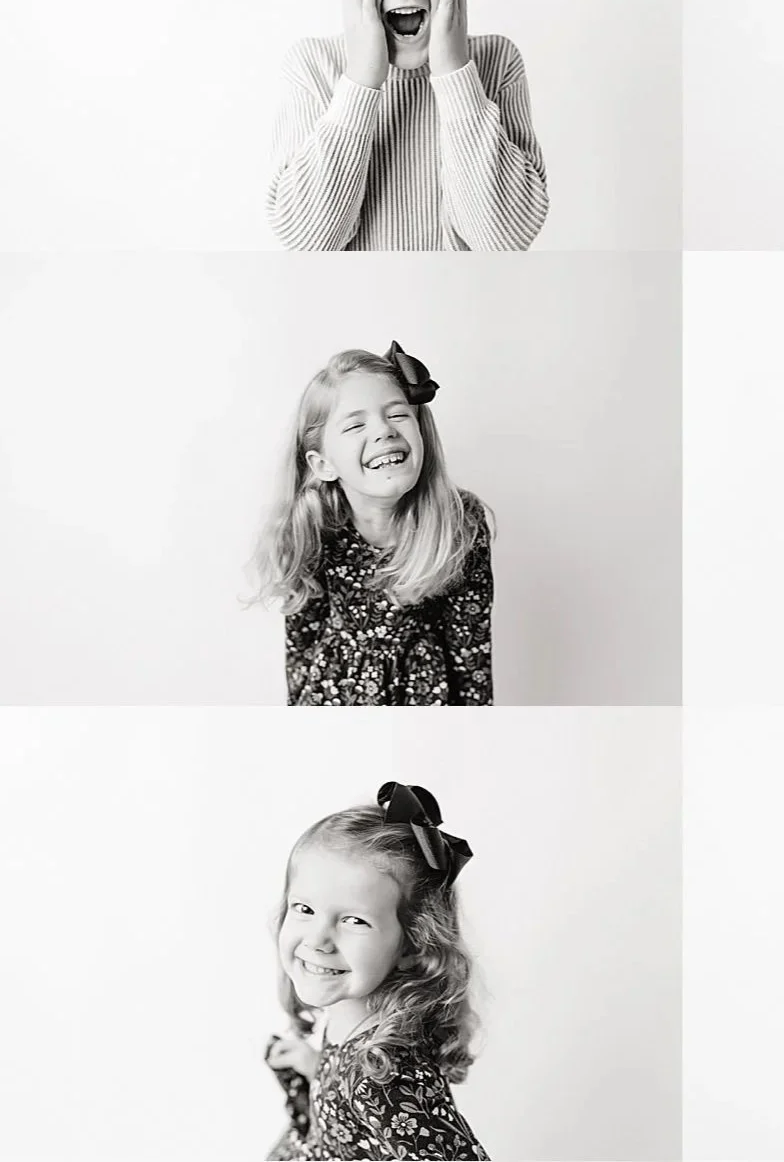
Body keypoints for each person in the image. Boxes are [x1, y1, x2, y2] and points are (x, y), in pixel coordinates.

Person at [267, 0, 548, 249]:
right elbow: (310, 241)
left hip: (469, 310)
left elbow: (502, 240)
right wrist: (363, 78)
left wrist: (454, 71)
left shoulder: (495, 63)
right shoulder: (313, 66)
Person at [251, 341, 494, 704]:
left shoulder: (457, 522)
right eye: (355, 425)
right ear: (322, 465)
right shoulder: (312, 523)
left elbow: (471, 655)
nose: (383, 431)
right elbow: (300, 646)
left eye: (397, 414)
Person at [266, 781, 487, 1160]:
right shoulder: (356, 1023)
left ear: (412, 945)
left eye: (354, 921)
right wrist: (316, 1068)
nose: (319, 939)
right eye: (304, 909)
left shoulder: (387, 1076)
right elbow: (357, 1111)